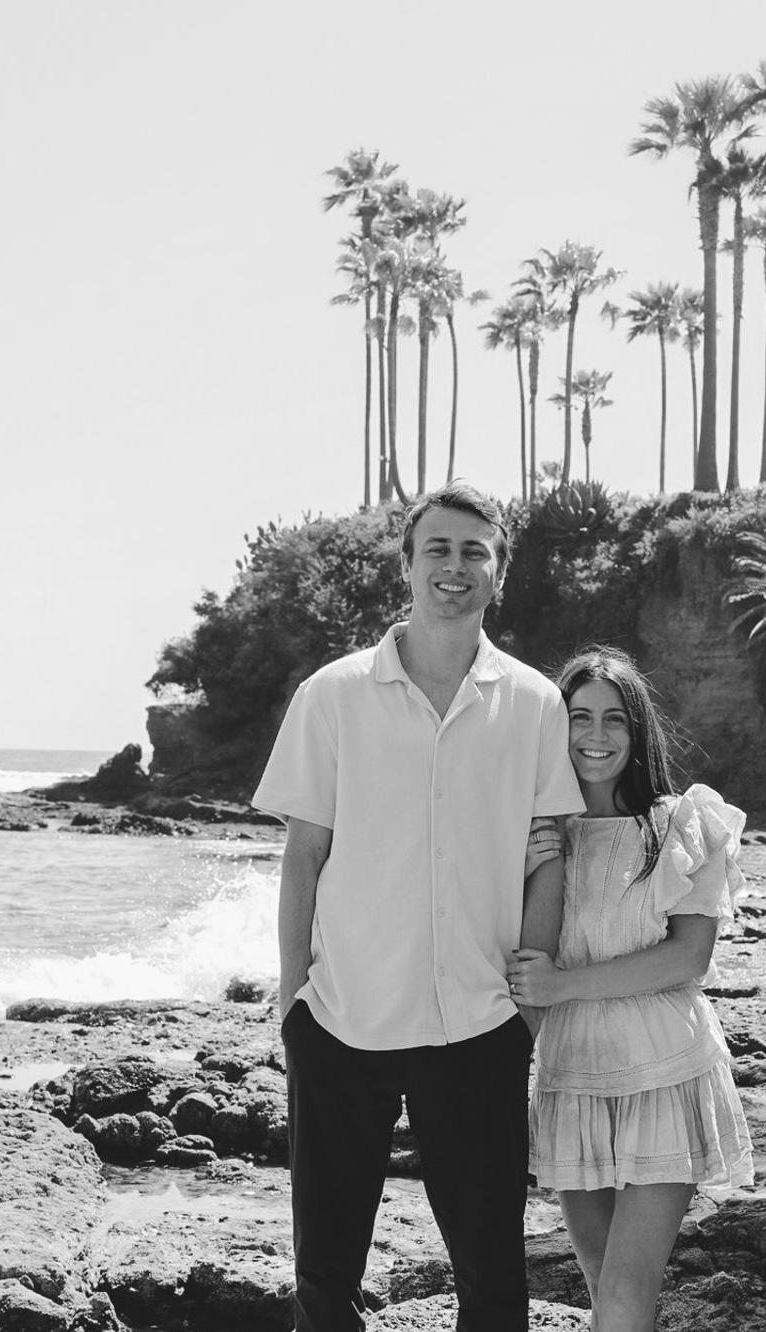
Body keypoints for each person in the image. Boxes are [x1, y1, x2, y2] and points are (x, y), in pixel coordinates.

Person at [252, 481, 586, 1332]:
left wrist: (527, 1009)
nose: (455, 566)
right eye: (437, 548)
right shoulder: (332, 695)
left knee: (494, 1282)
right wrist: (293, 1004)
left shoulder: (535, 703)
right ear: (405, 565)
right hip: (343, 1021)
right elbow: (304, 856)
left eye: (475, 551)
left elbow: (550, 855)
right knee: (325, 1281)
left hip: (480, 1024)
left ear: (499, 572)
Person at [507, 646, 754, 1332]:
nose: (596, 735)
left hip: (663, 1072)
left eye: (614, 718)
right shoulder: (534, 833)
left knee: (622, 1292)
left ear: (637, 729)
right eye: (579, 717)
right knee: (602, 1288)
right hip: (571, 1076)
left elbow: (689, 957)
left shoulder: (680, 824)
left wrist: (564, 985)